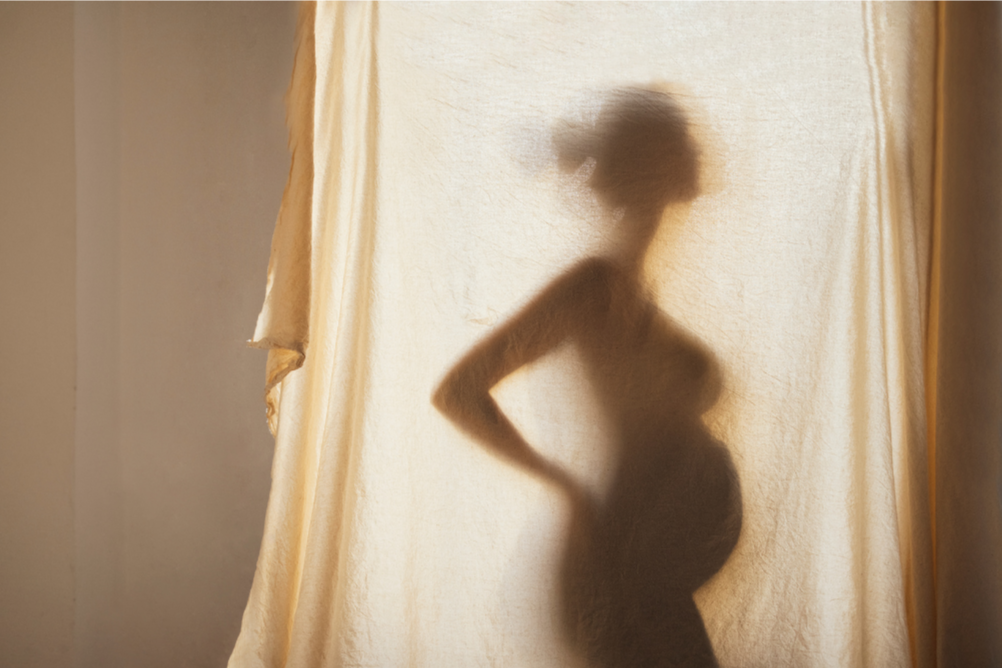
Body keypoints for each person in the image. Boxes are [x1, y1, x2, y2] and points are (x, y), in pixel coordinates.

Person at [433, 88, 741, 667]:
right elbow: (459, 391)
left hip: (647, 574)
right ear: (649, 164)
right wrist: (563, 485)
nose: (698, 152)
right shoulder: (592, 286)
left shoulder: (634, 289)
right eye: (682, 143)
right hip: (625, 570)